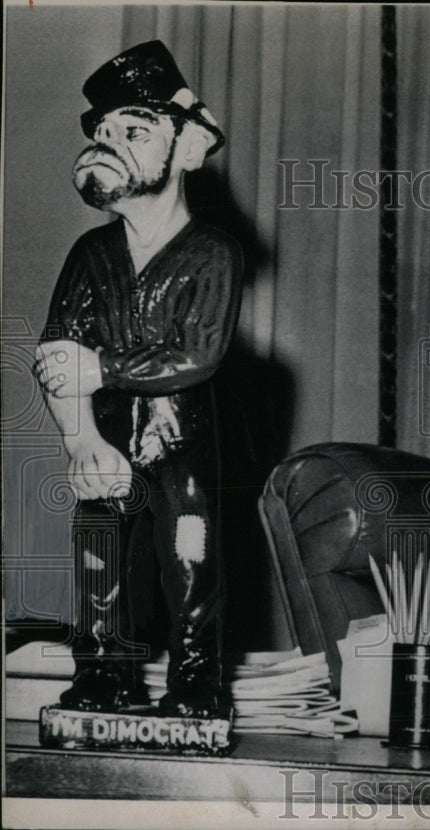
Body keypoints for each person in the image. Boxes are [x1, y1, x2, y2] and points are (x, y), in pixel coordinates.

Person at [33, 41, 242, 719]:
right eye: (102, 132)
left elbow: (198, 356)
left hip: (183, 446)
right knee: (101, 560)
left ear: (188, 147)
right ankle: (102, 677)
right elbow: (56, 353)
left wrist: (102, 368)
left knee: (191, 562)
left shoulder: (213, 253)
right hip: (106, 440)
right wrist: (81, 442)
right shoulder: (91, 254)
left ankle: (195, 685)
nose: (108, 143)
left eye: (133, 130)